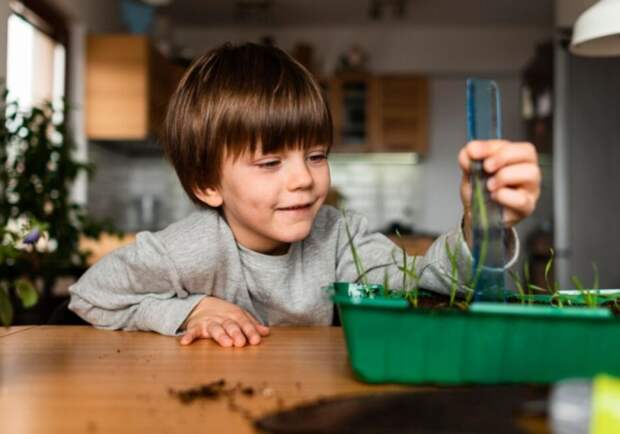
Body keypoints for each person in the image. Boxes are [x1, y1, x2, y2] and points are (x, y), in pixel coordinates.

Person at [69, 42, 541, 348]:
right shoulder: (187, 247)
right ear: (207, 186)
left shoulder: (338, 236)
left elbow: (430, 286)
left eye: (316, 155)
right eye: (271, 162)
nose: (304, 179)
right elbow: (89, 296)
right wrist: (188, 309)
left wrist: (479, 224)